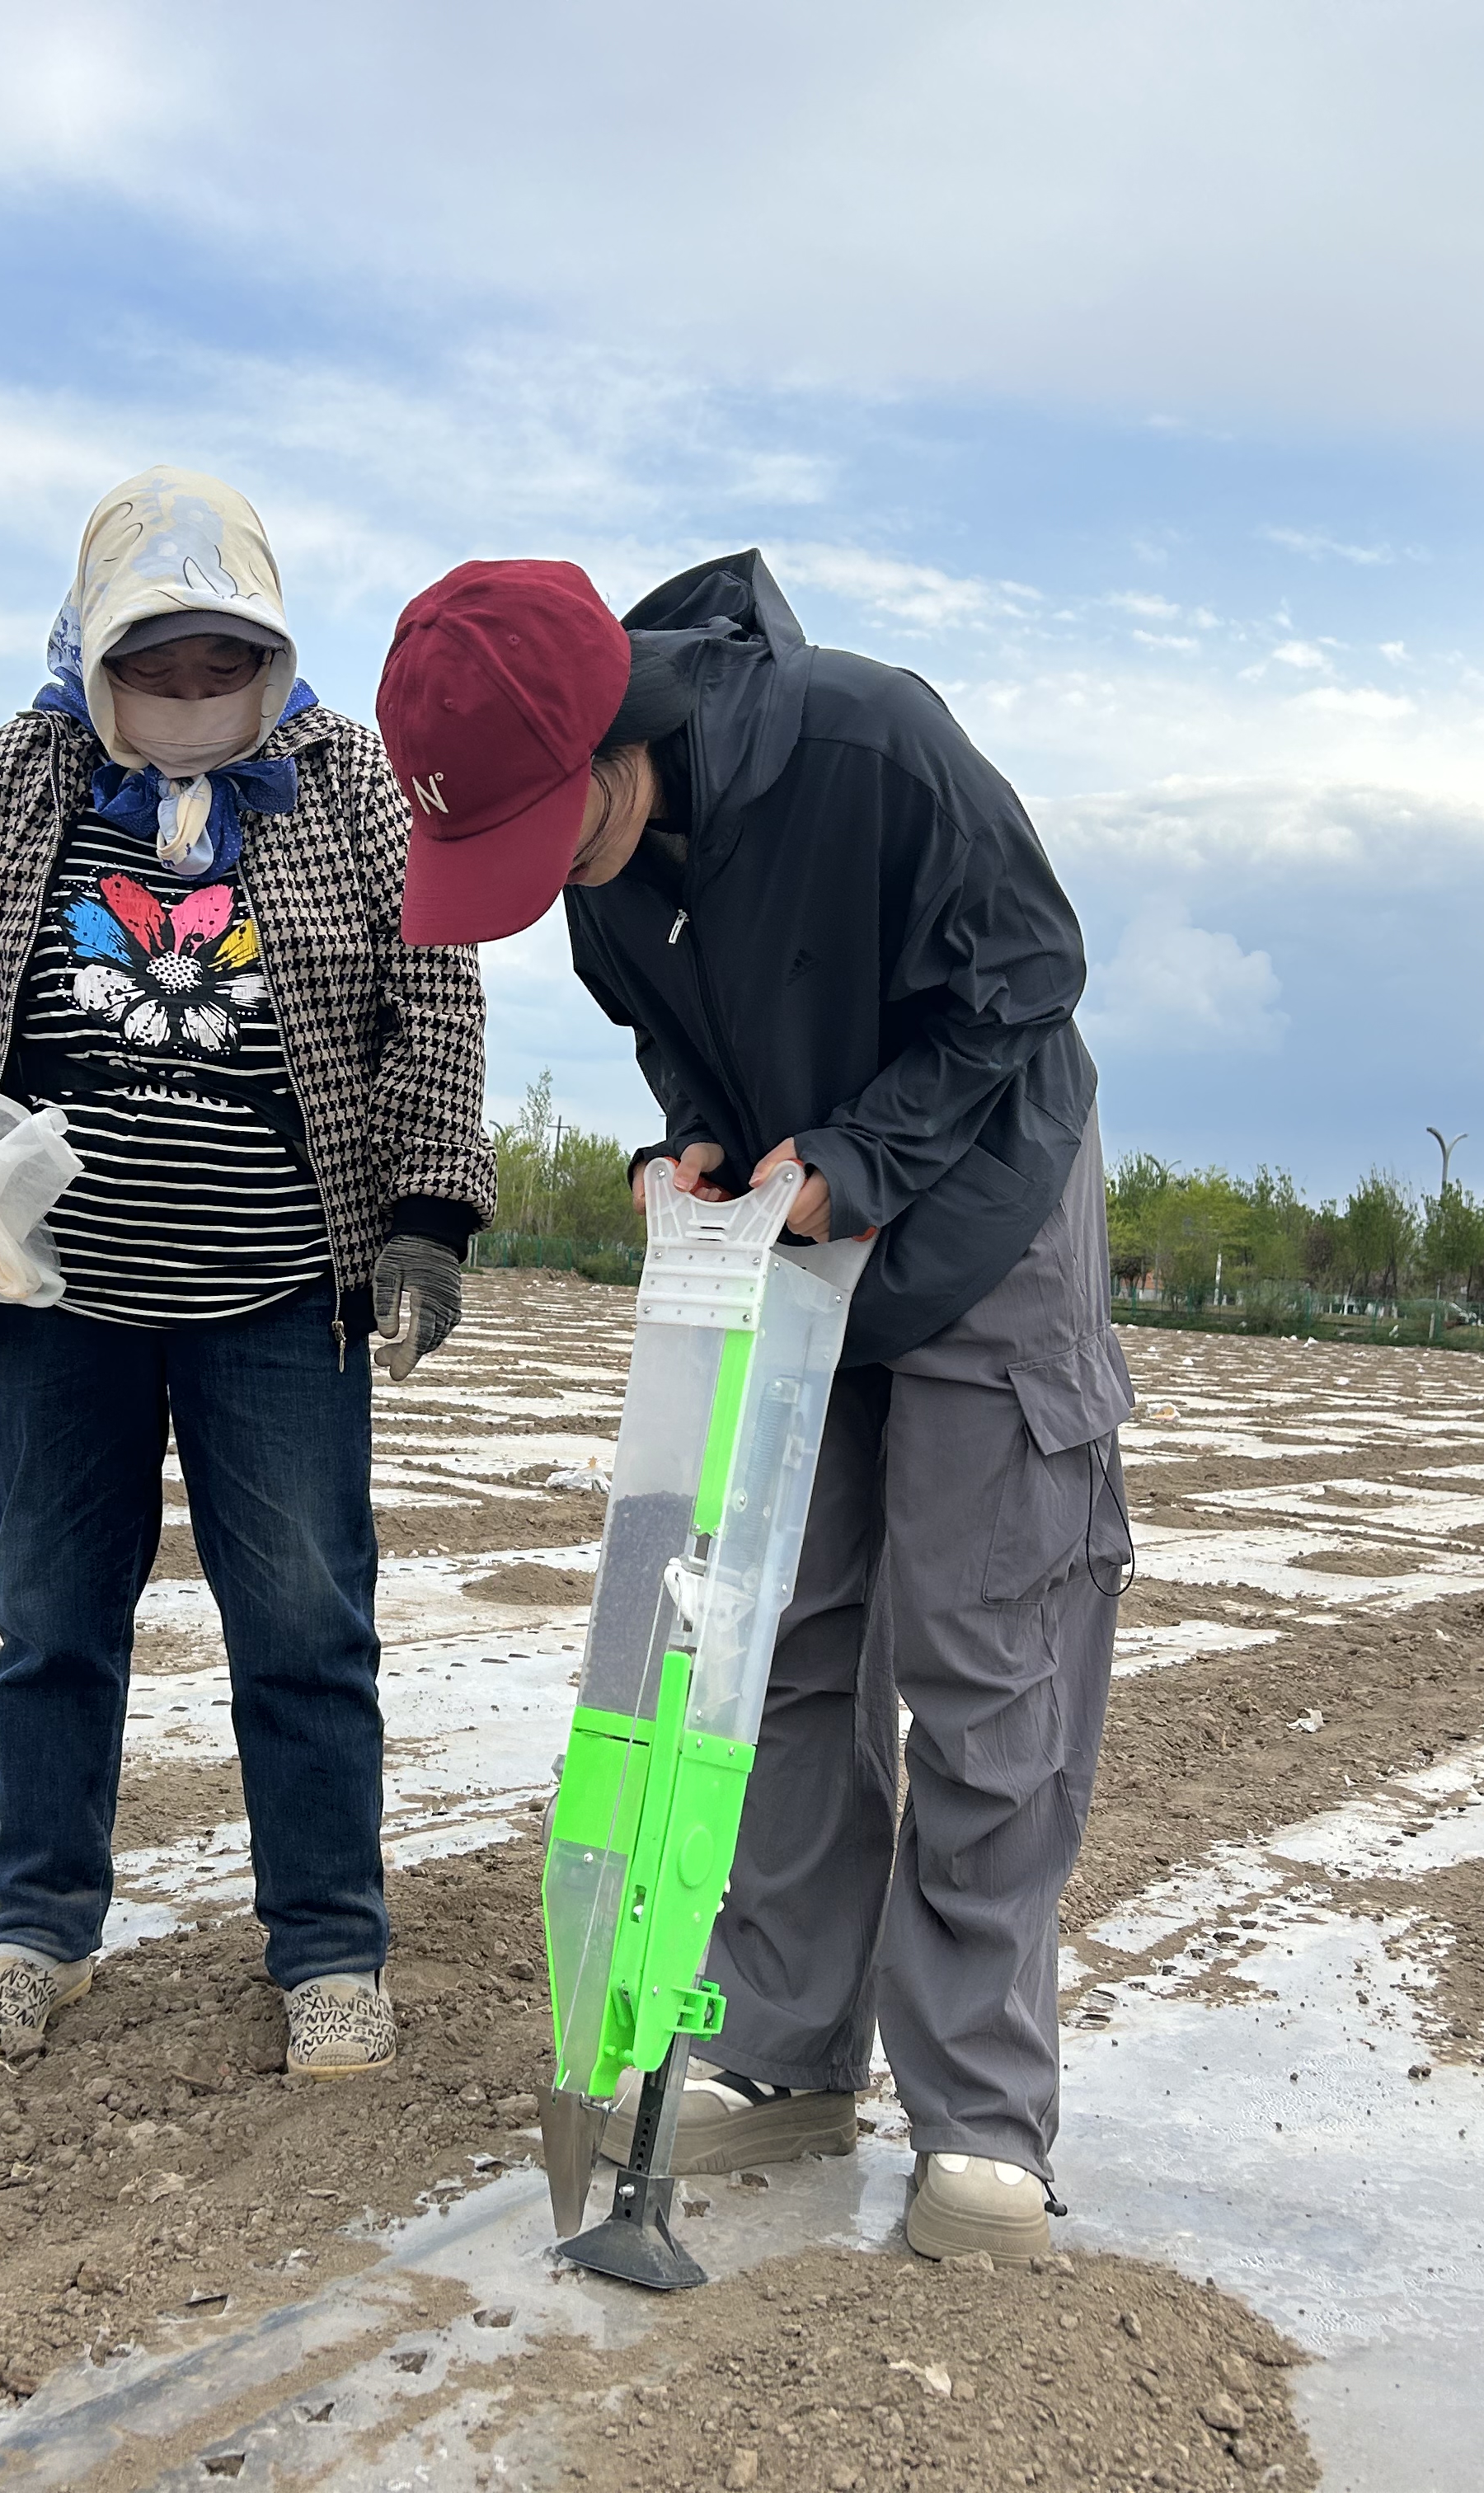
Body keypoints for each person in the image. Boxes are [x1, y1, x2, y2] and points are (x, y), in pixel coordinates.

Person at [376, 552, 1129, 2257]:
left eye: (540, 834)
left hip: (984, 1206)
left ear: (608, 736)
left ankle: (982, 2120)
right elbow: (684, 1037)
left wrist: (862, 1162)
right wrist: (695, 1140)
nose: (542, 877)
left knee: (982, 1645)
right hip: (799, 1224)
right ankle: (788, 2051)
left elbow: (1027, 978)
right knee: (781, 1636)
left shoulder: (876, 745)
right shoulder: (607, 866)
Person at [0, 467, 493, 2077]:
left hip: (279, 1293)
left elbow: (436, 991)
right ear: (97, 653)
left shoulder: (351, 783)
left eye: (227, 662)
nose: (196, 695)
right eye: (159, 664)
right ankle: (40, 1930)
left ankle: (330, 1949)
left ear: (274, 655)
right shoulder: (18, 776)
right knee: (52, 1619)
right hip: (64, 1298)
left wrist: (429, 1208)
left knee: (301, 1623)